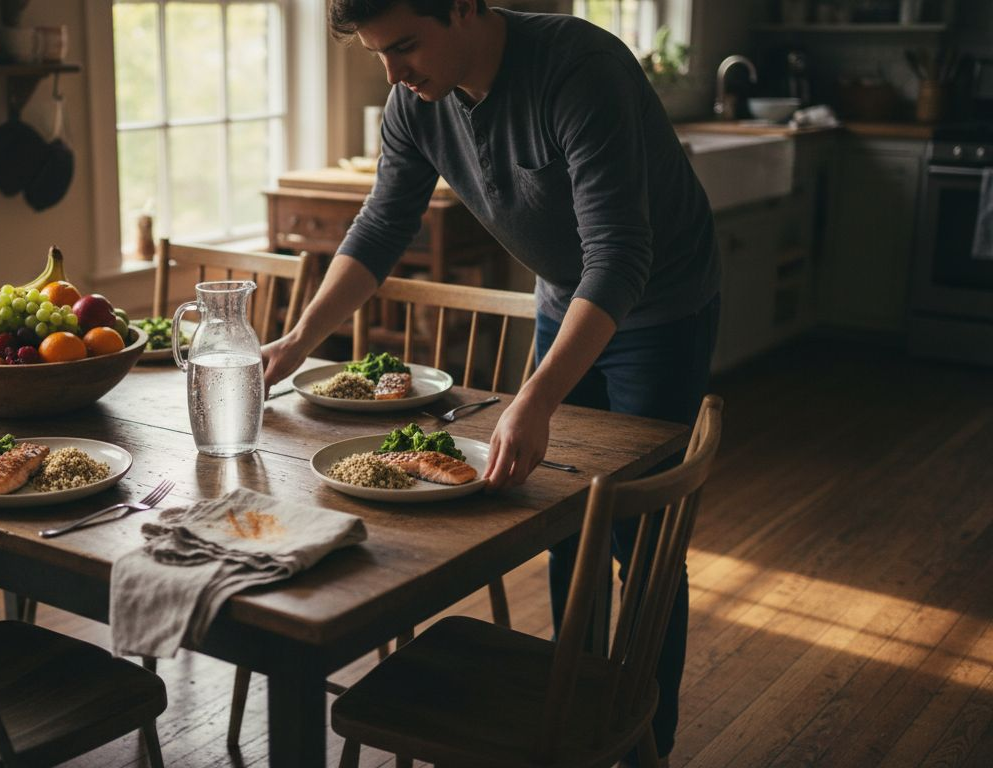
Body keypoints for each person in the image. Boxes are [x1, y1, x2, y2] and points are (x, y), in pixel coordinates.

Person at [260, 0, 721, 759]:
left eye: (405, 46)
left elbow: (618, 257)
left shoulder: (581, 68)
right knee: (569, 525)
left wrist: (534, 396)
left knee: (640, 545)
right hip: (563, 298)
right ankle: (578, 706)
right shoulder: (415, 103)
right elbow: (381, 225)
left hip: (659, 304)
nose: (395, 75)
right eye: (379, 55)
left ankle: (644, 743)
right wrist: (300, 337)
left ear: (467, 8)